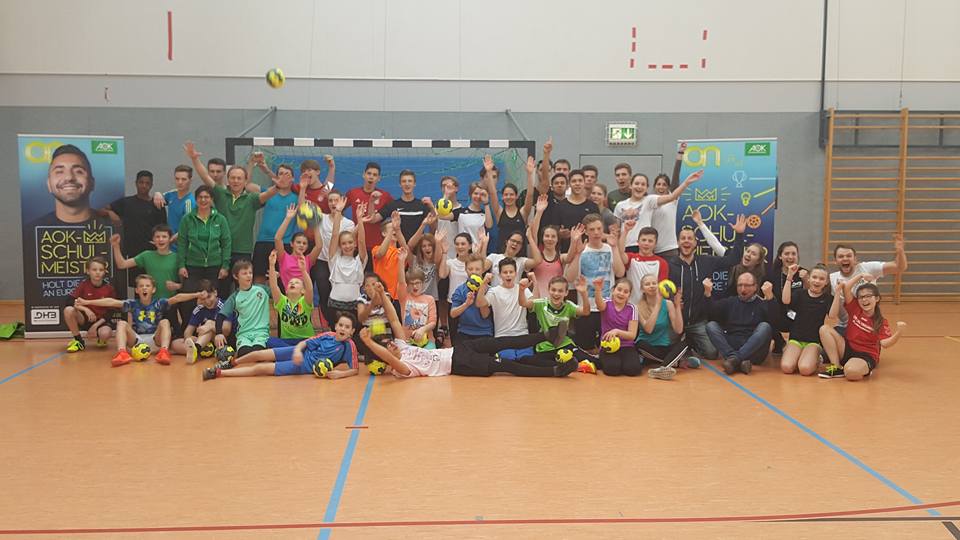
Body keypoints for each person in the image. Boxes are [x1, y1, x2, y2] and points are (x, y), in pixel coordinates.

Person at [358, 283, 578, 378]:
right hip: (459, 364)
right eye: (388, 347)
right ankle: (554, 371)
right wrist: (369, 343)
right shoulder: (402, 369)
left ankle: (549, 335)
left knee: (504, 341)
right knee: (507, 365)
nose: (392, 344)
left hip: (459, 350)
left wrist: (383, 294)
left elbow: (394, 320)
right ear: (384, 357)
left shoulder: (403, 346)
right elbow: (389, 357)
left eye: (389, 343)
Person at [184, 141, 278, 294]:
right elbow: (205, 176)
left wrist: (279, 185)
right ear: (228, 179)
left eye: (239, 178)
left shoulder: (251, 199)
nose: (235, 181)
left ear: (245, 181)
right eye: (233, 178)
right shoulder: (220, 194)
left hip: (243, 251)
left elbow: (267, 194)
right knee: (221, 290)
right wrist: (194, 159)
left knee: (244, 290)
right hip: (221, 252)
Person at [667, 216, 747, 360]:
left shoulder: (706, 261)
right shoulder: (669, 264)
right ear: (678, 243)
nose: (686, 241)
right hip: (675, 320)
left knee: (711, 353)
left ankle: (690, 343)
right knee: (665, 350)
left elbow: (733, 259)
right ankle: (684, 344)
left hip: (698, 322)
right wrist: (673, 302)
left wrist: (739, 235)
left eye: (690, 238)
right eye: (683, 238)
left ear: (695, 243)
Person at [77, 274, 200, 367]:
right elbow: (111, 302)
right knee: (121, 323)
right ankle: (122, 353)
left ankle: (164, 352)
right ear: (137, 290)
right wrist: (87, 302)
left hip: (155, 339)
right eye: (141, 286)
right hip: (136, 340)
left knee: (165, 322)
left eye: (147, 286)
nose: (144, 288)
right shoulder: (132, 304)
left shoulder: (159, 303)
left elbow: (177, 298)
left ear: (153, 290)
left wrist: (196, 295)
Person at [203, 312, 359, 380]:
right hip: (299, 352)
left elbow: (355, 369)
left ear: (352, 331)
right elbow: (305, 343)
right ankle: (232, 362)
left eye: (347, 327)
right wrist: (297, 351)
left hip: (304, 365)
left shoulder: (349, 346)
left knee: (261, 368)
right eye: (341, 325)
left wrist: (339, 374)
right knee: (259, 354)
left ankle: (219, 373)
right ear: (336, 326)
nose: (343, 329)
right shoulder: (328, 335)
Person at [818, 279, 904, 381]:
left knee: (851, 373)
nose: (864, 300)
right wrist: (861, 275)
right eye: (861, 297)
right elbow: (847, 288)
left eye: (868, 296)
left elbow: (885, 343)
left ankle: (863, 368)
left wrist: (899, 332)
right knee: (824, 329)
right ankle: (836, 367)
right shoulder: (855, 308)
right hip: (847, 347)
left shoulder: (881, 322)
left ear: (877, 298)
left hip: (865, 354)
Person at [564, 213, 626, 353]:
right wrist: (578, 254)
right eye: (592, 229)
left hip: (607, 307)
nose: (596, 232)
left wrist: (615, 247)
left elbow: (620, 273)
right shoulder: (582, 250)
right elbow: (569, 278)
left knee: (608, 349)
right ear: (586, 231)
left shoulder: (610, 248)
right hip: (586, 307)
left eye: (599, 228)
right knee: (586, 350)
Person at [175, 185, 232, 337]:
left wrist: (225, 265)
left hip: (214, 266)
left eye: (206, 197)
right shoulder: (187, 219)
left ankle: (214, 332)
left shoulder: (220, 219)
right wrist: (181, 265)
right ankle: (188, 331)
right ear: (196, 199)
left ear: (211, 199)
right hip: (193, 266)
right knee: (189, 299)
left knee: (212, 299)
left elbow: (226, 243)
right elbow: (182, 243)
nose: (203, 200)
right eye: (200, 197)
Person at [100, 170, 168, 287]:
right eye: (141, 182)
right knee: (138, 286)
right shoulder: (126, 202)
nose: (144, 186)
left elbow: (164, 229)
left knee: (154, 285)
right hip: (133, 253)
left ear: (151, 185)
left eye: (147, 183)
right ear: (136, 183)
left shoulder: (157, 204)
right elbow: (102, 209)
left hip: (153, 252)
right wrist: (110, 213)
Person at [830, 235, 908, 334]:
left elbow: (899, 267)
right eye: (841, 256)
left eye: (849, 256)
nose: (845, 258)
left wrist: (900, 251)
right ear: (835, 261)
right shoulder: (831, 279)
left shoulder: (868, 268)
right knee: (825, 333)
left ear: (855, 259)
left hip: (869, 326)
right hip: (845, 327)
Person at [704, 273, 776, 375]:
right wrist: (707, 294)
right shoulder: (730, 302)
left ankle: (734, 359)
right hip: (733, 344)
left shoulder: (762, 303)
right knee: (711, 326)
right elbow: (712, 313)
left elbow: (775, 321)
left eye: (747, 285)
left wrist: (770, 298)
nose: (743, 289)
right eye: (740, 285)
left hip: (754, 350)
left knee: (765, 327)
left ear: (755, 287)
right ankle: (738, 361)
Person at [615, 170, 703, 251]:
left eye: (643, 184)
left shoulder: (649, 200)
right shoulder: (620, 205)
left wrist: (686, 183)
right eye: (637, 183)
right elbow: (616, 230)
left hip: (643, 247)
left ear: (647, 188)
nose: (639, 186)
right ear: (630, 185)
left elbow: (672, 197)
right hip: (624, 247)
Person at [518, 275, 591, 368]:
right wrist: (521, 289)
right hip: (545, 348)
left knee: (596, 362)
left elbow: (586, 312)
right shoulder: (541, 304)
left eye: (560, 291)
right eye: (553, 290)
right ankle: (569, 366)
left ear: (566, 293)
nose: (556, 293)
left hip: (565, 345)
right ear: (548, 290)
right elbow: (523, 303)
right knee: (529, 361)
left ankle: (568, 365)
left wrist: (584, 293)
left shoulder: (569, 306)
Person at [633, 274, 691, 379]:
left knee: (685, 343)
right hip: (647, 347)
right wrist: (658, 305)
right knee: (640, 344)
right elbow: (648, 330)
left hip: (664, 347)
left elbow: (678, 330)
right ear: (642, 289)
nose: (651, 286)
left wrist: (677, 306)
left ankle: (662, 368)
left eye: (654, 283)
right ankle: (675, 362)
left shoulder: (668, 304)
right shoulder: (637, 307)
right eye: (647, 284)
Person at [252, 160, 300, 284]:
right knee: (259, 279)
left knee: (282, 281)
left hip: (283, 244)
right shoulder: (269, 193)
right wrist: (252, 164)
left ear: (293, 179)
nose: (283, 177)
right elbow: (247, 186)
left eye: (287, 174)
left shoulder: (297, 198)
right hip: (263, 242)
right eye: (280, 174)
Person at [780, 263, 832, 376]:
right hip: (796, 339)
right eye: (814, 277)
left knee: (805, 369)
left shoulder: (827, 298)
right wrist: (789, 277)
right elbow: (785, 300)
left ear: (826, 282)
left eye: (821, 279)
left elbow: (833, 315)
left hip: (813, 341)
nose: (817, 281)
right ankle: (793, 352)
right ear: (808, 278)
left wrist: (837, 293)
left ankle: (817, 357)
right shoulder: (800, 294)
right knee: (787, 367)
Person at [215, 260, 272, 361]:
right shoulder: (234, 297)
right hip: (243, 335)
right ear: (236, 276)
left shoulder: (262, 290)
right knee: (245, 353)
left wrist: (274, 279)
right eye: (244, 273)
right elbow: (221, 316)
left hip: (261, 333)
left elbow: (278, 295)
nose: (249, 276)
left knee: (258, 353)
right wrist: (219, 333)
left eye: (250, 273)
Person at [325, 197, 368, 327]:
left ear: (354, 244)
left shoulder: (359, 261)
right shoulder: (334, 259)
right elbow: (334, 235)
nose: (347, 246)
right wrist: (338, 212)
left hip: (355, 305)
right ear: (340, 245)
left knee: (354, 336)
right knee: (336, 335)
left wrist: (360, 219)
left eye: (350, 242)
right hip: (335, 304)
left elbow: (362, 241)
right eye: (343, 243)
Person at [439, 231, 487, 339]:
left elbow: (483, 266)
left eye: (463, 244)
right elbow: (442, 274)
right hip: (454, 303)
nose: (460, 247)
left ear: (469, 246)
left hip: (472, 302)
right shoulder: (451, 263)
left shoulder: (474, 264)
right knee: (455, 337)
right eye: (457, 244)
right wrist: (444, 253)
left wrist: (483, 246)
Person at [111, 225, 179, 300]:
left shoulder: (177, 258)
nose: (160, 239)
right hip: (150, 302)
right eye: (157, 237)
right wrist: (116, 246)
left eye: (164, 237)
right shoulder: (146, 255)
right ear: (153, 239)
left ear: (170, 239)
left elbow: (185, 282)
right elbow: (122, 264)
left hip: (172, 301)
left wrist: (177, 286)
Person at [63, 257, 116, 353]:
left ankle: (101, 339)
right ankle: (79, 341)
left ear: (105, 272)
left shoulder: (109, 288)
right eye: (94, 270)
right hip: (84, 318)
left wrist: (95, 326)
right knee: (68, 310)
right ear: (88, 271)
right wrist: (85, 309)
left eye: (101, 270)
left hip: (100, 322)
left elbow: (111, 312)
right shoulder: (83, 285)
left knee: (105, 333)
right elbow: (69, 301)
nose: (97, 272)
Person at [483, 154, 534, 253]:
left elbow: (530, 195)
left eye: (511, 194)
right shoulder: (499, 212)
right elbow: (492, 193)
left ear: (516, 196)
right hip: (502, 254)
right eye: (506, 195)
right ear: (502, 197)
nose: (508, 197)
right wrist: (488, 172)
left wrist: (530, 174)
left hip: (519, 255)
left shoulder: (523, 213)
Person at [592, 277, 640, 376]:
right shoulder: (607, 302)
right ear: (613, 290)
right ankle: (603, 357)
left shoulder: (632, 308)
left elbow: (632, 335)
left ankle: (630, 360)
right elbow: (599, 305)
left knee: (633, 370)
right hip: (608, 344)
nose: (621, 293)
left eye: (626, 292)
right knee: (612, 369)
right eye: (619, 290)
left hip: (626, 346)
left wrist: (617, 332)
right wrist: (598, 290)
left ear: (629, 295)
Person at [344, 162, 392, 261]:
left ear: (379, 178)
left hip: (377, 247)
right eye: (369, 173)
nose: (371, 177)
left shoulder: (385, 196)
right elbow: (339, 209)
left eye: (375, 175)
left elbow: (396, 211)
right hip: (356, 246)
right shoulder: (353, 193)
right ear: (364, 174)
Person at [266, 250, 315, 347]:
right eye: (290, 283)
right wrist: (271, 265)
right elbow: (274, 286)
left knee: (312, 345)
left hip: (305, 340)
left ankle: (292, 352)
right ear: (286, 290)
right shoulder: (282, 301)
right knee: (268, 341)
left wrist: (303, 270)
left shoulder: (305, 301)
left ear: (303, 291)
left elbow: (310, 288)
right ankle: (293, 352)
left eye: (297, 283)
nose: (293, 283)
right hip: (286, 341)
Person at [766, 241, 807, 353]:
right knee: (763, 315)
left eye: (793, 254)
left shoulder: (804, 273)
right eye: (786, 254)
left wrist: (806, 280)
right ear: (780, 256)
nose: (790, 257)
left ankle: (798, 344)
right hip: (778, 314)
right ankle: (779, 342)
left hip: (798, 315)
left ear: (797, 256)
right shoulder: (771, 275)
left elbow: (810, 295)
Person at [475, 258, 533, 337]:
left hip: (522, 334)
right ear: (499, 275)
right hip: (501, 335)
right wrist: (484, 282)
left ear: (516, 273)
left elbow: (533, 304)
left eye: (511, 272)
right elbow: (479, 303)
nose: (508, 275)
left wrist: (534, 281)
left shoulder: (523, 288)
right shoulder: (494, 291)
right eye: (505, 272)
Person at [170, 279, 222, 363]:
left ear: (215, 293)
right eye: (203, 299)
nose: (207, 301)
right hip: (203, 341)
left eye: (209, 297)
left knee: (208, 324)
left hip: (220, 340)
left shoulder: (223, 306)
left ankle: (197, 349)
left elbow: (227, 329)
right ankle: (199, 349)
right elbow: (187, 333)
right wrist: (191, 338)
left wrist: (209, 327)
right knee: (175, 344)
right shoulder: (199, 309)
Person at [650, 142, 688, 257]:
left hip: (669, 250)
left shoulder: (672, 200)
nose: (661, 187)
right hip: (650, 249)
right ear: (654, 186)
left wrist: (680, 154)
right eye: (658, 184)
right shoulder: (649, 201)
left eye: (664, 185)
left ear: (668, 187)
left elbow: (676, 176)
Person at [273, 204, 323, 289]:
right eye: (298, 242)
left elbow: (319, 246)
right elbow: (277, 239)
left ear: (307, 247)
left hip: (304, 295)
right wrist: (288, 218)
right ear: (292, 244)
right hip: (288, 294)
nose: (301, 245)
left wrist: (315, 225)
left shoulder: (308, 260)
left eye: (304, 243)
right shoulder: (283, 257)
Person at [617, 223, 669, 305]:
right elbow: (620, 252)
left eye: (650, 241)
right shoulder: (631, 258)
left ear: (655, 244)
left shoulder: (662, 263)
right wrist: (626, 231)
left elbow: (662, 289)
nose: (646, 243)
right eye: (643, 240)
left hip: (652, 307)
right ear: (638, 242)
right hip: (632, 306)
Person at [376, 169, 434, 241]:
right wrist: (372, 202)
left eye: (410, 181)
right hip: (399, 247)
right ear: (400, 184)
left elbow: (434, 227)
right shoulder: (393, 205)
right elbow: (373, 219)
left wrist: (432, 207)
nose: (407, 184)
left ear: (414, 184)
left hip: (418, 247)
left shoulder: (422, 205)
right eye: (404, 181)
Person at [396, 249, 438, 349]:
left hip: (427, 341)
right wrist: (401, 261)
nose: (415, 286)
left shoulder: (430, 299)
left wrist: (422, 330)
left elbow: (433, 322)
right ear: (408, 285)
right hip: (407, 341)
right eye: (412, 283)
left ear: (422, 283)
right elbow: (401, 281)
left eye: (418, 283)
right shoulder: (404, 297)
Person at [449, 254, 493, 347]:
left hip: (484, 331)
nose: (474, 272)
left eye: (477, 269)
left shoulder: (490, 290)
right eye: (470, 269)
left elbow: (485, 315)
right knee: (460, 354)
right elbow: (453, 314)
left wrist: (481, 290)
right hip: (464, 331)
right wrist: (466, 304)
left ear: (483, 270)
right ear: (465, 269)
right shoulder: (460, 289)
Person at [553, 169, 600, 252]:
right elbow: (554, 229)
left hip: (589, 251)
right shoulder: (560, 206)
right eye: (574, 181)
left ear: (584, 183)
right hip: (567, 251)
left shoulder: (593, 206)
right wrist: (559, 233)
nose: (577, 183)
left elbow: (598, 229)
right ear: (569, 184)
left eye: (580, 181)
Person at [156, 165, 196, 251]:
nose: (180, 182)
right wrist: (157, 193)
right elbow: (160, 197)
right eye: (177, 179)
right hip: (168, 246)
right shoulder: (172, 194)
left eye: (184, 179)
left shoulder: (190, 202)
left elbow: (187, 228)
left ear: (190, 180)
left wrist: (169, 241)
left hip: (181, 249)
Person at [441, 181, 492, 246]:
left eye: (481, 194)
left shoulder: (486, 214)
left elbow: (489, 225)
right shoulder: (460, 212)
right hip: (462, 250)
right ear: (470, 194)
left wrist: (486, 203)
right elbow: (442, 216)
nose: (478, 196)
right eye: (475, 193)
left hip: (479, 251)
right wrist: (446, 195)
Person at [372, 211, 409, 298]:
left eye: (394, 228)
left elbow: (406, 250)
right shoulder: (376, 248)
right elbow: (381, 253)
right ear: (384, 233)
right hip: (381, 295)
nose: (393, 230)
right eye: (391, 228)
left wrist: (397, 229)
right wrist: (392, 229)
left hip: (397, 297)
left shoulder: (401, 252)